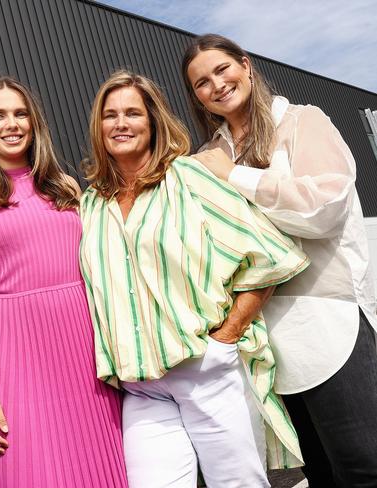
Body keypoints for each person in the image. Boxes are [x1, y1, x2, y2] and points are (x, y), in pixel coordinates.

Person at [80, 70, 310, 487]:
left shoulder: (188, 178)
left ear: (153, 122)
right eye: (110, 115)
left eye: (133, 113)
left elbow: (270, 255)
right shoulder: (91, 202)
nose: (121, 123)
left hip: (205, 369)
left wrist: (228, 336)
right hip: (142, 386)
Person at [182, 33, 377, 487]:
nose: (216, 84)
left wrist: (235, 176)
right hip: (263, 341)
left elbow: (324, 209)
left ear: (246, 65)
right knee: (318, 473)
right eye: (201, 83)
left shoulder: (303, 122)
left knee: (364, 465)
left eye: (222, 69)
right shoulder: (207, 156)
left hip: (329, 320)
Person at [0, 77, 127, 488]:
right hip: (14, 361)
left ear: (34, 122)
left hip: (86, 358)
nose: (12, 124)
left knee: (101, 470)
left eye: (21, 113)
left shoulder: (69, 189)